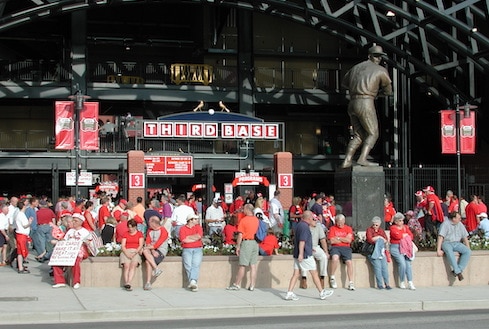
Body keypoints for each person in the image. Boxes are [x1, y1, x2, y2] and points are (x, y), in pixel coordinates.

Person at [340, 44, 393, 168]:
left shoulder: (355, 68)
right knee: (373, 133)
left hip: (352, 103)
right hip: (366, 102)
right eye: (377, 56)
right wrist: (375, 94)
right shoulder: (380, 70)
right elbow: (388, 91)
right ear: (370, 56)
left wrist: (356, 89)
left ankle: (347, 160)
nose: (378, 59)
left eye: (380, 57)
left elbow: (344, 83)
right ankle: (362, 158)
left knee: (359, 134)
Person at [284, 210, 334, 301]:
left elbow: (300, 240)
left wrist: (307, 249)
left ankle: (289, 293)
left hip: (299, 253)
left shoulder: (299, 225)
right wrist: (301, 254)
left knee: (296, 274)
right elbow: (302, 241)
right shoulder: (305, 227)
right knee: (314, 273)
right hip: (305, 255)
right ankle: (322, 292)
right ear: (309, 218)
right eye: (312, 218)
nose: (313, 219)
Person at [52, 213, 92, 288]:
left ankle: (76, 281)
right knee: (56, 261)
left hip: (79, 251)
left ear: (80, 222)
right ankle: (60, 281)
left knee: (76, 262)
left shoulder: (85, 232)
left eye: (75, 221)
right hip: (68, 251)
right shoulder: (70, 231)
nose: (73, 222)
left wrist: (86, 242)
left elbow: (89, 242)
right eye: (73, 221)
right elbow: (64, 240)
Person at [226, 204, 259, 291]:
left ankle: (236, 284)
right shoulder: (256, 220)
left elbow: (240, 234)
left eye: (244, 209)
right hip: (255, 243)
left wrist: (238, 246)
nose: (243, 210)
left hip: (247, 242)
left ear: (248, 210)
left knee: (242, 265)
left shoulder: (243, 220)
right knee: (253, 265)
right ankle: (252, 285)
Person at [436, 211, 471, 281]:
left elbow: (465, 237)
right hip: (447, 242)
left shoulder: (460, 224)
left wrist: (468, 247)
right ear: (453, 218)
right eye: (458, 218)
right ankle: (458, 272)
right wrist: (438, 250)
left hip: (457, 243)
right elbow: (440, 237)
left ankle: (458, 270)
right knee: (449, 252)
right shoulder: (445, 224)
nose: (460, 219)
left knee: (467, 251)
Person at [299, 211, 329, 290]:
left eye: (316, 220)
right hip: (306, 247)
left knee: (323, 257)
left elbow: (323, 240)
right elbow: (301, 241)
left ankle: (322, 277)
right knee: (304, 258)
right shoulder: (305, 227)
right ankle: (304, 278)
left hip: (315, 247)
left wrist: (326, 251)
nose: (316, 221)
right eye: (314, 220)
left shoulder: (319, 227)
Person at [328, 214, 355, 290]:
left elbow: (349, 240)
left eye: (341, 222)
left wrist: (338, 238)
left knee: (349, 262)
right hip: (335, 247)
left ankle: (351, 282)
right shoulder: (333, 228)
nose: (339, 224)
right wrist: (344, 239)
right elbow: (332, 241)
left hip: (346, 248)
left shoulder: (348, 228)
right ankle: (332, 277)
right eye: (338, 222)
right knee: (335, 258)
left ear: (344, 221)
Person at [389, 212, 416, 290]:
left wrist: (403, 235)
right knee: (402, 263)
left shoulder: (405, 227)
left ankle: (410, 281)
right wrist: (404, 235)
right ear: (396, 221)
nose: (401, 222)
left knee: (408, 264)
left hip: (405, 247)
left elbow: (410, 235)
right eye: (400, 221)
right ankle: (402, 281)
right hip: (396, 247)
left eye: (402, 220)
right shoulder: (393, 227)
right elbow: (396, 235)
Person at [141, 215, 168, 290]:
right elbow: (148, 242)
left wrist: (151, 248)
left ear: (154, 223)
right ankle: (156, 269)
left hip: (160, 250)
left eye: (150, 223)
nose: (148, 224)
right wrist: (152, 250)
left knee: (147, 261)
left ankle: (148, 282)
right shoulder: (150, 230)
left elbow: (158, 244)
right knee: (145, 251)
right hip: (151, 250)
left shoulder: (163, 231)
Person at [366, 216, 391, 290]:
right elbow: (370, 239)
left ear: (379, 225)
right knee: (378, 267)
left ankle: (387, 284)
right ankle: (380, 284)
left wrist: (379, 237)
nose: (374, 226)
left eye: (376, 225)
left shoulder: (381, 231)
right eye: (373, 224)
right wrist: (379, 238)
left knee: (384, 268)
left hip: (381, 251)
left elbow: (386, 240)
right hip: (373, 251)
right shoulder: (369, 230)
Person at [180, 213, 204, 292]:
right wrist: (194, 238)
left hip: (198, 248)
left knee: (196, 264)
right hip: (187, 249)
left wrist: (189, 237)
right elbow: (183, 240)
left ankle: (193, 281)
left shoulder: (198, 227)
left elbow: (199, 236)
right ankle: (193, 282)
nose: (197, 220)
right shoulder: (183, 228)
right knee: (188, 265)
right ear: (190, 220)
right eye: (195, 219)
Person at [120, 219, 144, 291]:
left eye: (132, 227)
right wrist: (127, 253)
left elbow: (140, 245)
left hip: (135, 251)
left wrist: (135, 252)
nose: (130, 229)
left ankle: (129, 282)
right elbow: (123, 245)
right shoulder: (126, 234)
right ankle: (126, 282)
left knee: (133, 265)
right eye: (129, 227)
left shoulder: (139, 234)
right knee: (126, 266)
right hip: (126, 250)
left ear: (135, 227)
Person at [14, 199, 33, 274]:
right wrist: (30, 222)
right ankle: (20, 267)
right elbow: (25, 226)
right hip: (22, 234)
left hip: (21, 234)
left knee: (20, 251)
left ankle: (20, 266)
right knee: (21, 251)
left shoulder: (20, 214)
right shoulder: (21, 215)